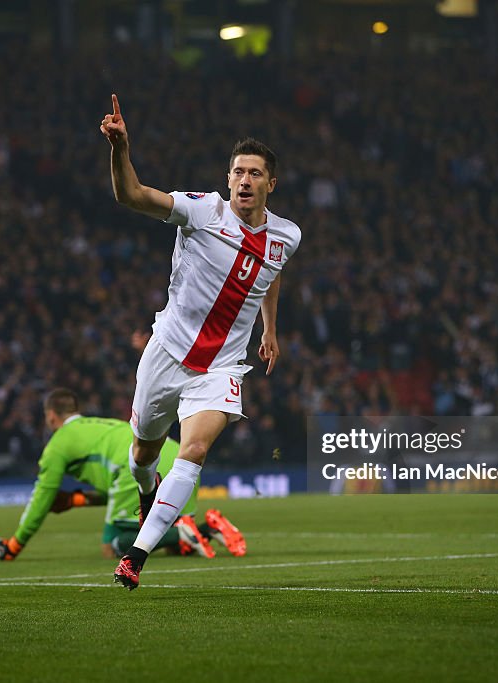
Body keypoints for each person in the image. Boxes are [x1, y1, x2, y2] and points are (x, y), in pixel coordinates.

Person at [99, 94, 299, 589]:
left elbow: (271, 273)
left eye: (254, 173)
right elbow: (132, 196)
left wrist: (270, 327)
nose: (244, 180)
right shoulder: (203, 211)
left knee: (193, 452)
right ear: (227, 179)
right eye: (237, 172)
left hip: (221, 366)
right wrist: (120, 149)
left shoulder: (287, 236)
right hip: (166, 351)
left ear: (271, 183)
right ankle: (148, 495)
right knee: (144, 453)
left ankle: (136, 557)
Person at [0, 388, 246, 561]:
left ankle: (183, 532)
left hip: (137, 468)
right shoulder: (103, 424)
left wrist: (15, 545)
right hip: (177, 457)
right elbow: (107, 485)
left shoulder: (59, 443)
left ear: (50, 417)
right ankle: (207, 528)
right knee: (172, 546)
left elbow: (41, 498)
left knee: (112, 547)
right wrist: (76, 501)